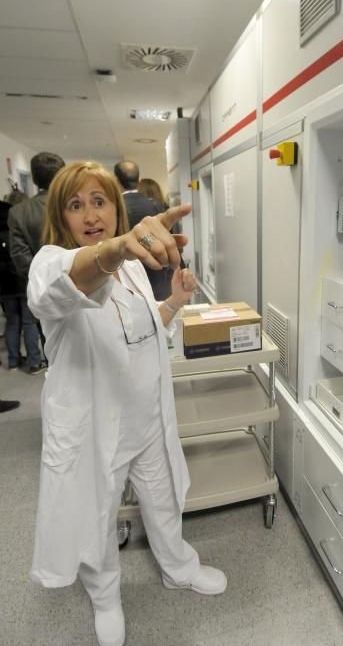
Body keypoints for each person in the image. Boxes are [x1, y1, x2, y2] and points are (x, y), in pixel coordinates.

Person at [27, 160, 226, 646]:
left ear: (116, 208)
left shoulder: (134, 269)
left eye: (100, 201)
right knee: (98, 518)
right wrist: (113, 249)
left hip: (146, 421)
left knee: (163, 503)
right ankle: (107, 598)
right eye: (76, 205)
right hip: (96, 431)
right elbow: (61, 290)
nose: (91, 214)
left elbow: (139, 329)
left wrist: (175, 302)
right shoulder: (51, 264)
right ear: (61, 216)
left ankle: (178, 567)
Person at [8, 152, 65, 364]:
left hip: (42, 291)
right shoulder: (73, 205)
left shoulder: (19, 212)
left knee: (49, 341)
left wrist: (42, 282)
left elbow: (20, 257)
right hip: (81, 282)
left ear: (33, 178)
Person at [115, 161, 175, 300]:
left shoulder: (116, 208)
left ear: (117, 181)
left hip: (128, 283)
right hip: (159, 278)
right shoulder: (156, 205)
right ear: (138, 179)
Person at [0, 198, 42, 372]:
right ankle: (33, 362)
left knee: (12, 322)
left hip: (4, 285)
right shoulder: (18, 228)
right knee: (29, 322)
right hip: (21, 282)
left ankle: (13, 361)